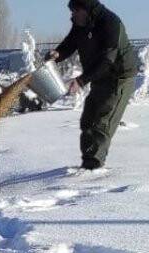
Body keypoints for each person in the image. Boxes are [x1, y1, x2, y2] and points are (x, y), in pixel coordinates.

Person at [45, 0, 138, 170]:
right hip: (100, 77)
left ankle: (93, 169)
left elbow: (107, 61)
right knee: (88, 119)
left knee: (102, 121)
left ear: (86, 9)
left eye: (75, 11)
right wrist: (58, 53)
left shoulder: (110, 23)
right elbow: (71, 42)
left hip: (119, 77)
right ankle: (88, 162)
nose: (71, 15)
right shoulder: (81, 23)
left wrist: (80, 81)